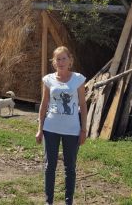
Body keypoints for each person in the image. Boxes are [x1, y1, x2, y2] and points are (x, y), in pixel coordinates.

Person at [36, 46, 87, 205]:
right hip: (50, 128)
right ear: (54, 62)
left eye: (64, 58)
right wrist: (40, 129)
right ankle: (48, 202)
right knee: (49, 166)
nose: (61, 62)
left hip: (72, 130)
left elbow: (83, 105)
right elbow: (44, 105)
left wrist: (83, 129)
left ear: (70, 60)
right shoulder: (48, 79)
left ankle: (68, 202)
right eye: (58, 59)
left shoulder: (78, 79)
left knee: (69, 168)